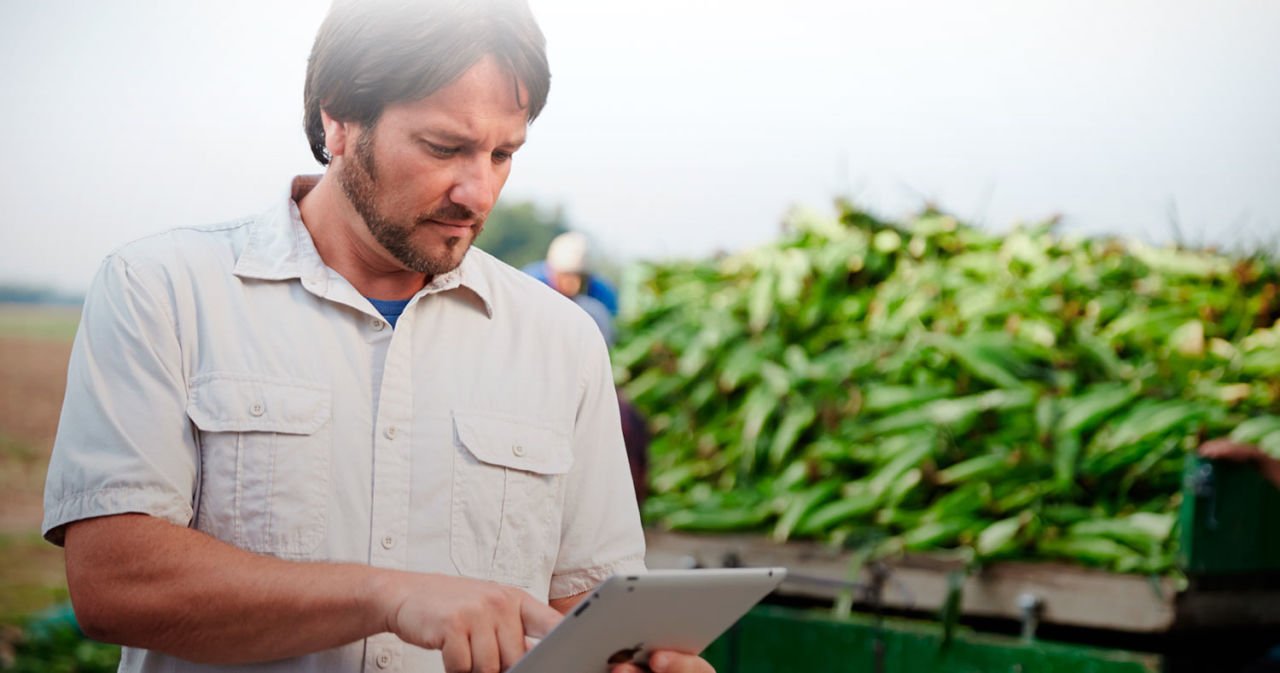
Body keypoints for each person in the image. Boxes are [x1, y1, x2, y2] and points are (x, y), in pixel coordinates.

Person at [40, 2, 709, 672]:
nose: (478, 192)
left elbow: (580, 611)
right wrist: (385, 595)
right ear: (339, 118)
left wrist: (638, 661)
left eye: (503, 153)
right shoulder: (162, 291)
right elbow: (114, 582)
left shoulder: (562, 341)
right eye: (445, 147)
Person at [523, 231, 620, 315]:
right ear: (552, 272)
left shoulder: (602, 293)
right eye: (566, 276)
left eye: (580, 277)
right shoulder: (531, 283)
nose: (574, 284)